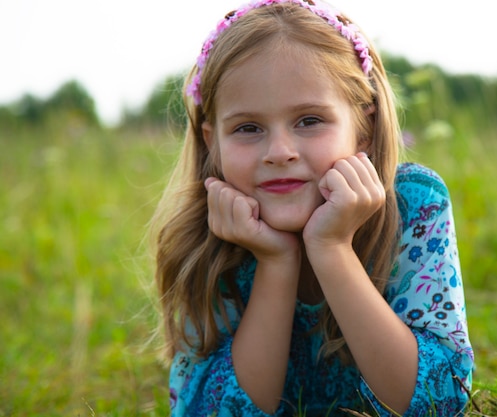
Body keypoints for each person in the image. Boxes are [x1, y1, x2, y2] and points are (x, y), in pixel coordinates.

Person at [150, 0, 474, 416]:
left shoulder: (414, 205)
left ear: (365, 129)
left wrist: (333, 248)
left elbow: (438, 402)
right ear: (213, 141)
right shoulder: (204, 237)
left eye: (309, 120)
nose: (279, 152)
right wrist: (276, 262)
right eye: (248, 128)